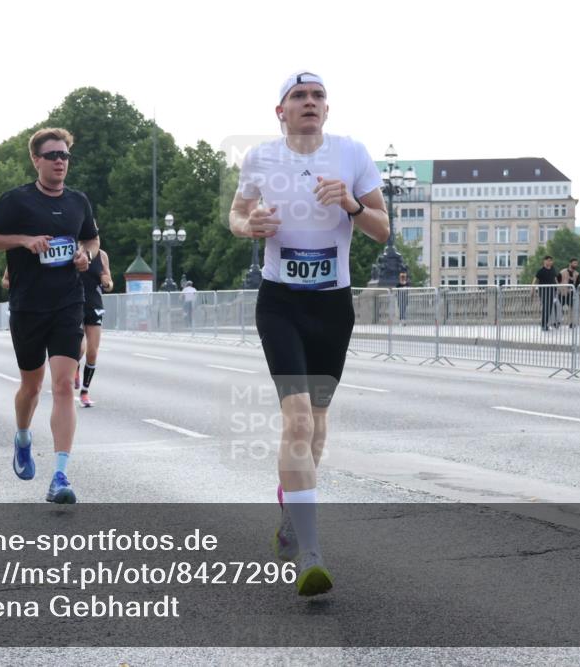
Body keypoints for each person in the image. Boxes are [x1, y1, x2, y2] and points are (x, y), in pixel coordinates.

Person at [229, 71, 389, 596]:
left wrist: (351, 204)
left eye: (318, 96)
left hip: (332, 305)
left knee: (316, 422)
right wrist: (248, 224)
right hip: (280, 303)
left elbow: (383, 230)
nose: (310, 103)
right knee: (296, 418)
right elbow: (236, 212)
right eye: (298, 96)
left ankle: (291, 509)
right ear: (281, 111)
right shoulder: (259, 159)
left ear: (328, 108)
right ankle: (312, 553)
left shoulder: (352, 154)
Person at [0, 127, 100, 504]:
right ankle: (23, 437)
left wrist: (85, 256)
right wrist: (22, 241)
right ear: (36, 160)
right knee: (31, 387)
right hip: (27, 305)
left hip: (67, 303)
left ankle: (60, 475)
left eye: (65, 156)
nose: (61, 161)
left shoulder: (78, 202)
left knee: (63, 385)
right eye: (53, 155)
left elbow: (91, 238)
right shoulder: (17, 201)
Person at [77, 249, 113, 405]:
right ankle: (74, 367)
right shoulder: (73, 250)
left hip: (94, 304)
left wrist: (107, 283)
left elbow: (109, 283)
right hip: (74, 304)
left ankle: (85, 392)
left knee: (92, 352)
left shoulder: (102, 255)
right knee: (79, 348)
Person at [532, 255, 559, 331]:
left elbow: (555, 279)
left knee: (550, 308)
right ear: (544, 261)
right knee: (546, 307)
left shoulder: (553, 269)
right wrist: (532, 290)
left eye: (551, 260)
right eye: (548, 260)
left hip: (552, 291)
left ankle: (545, 324)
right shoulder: (541, 270)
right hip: (543, 291)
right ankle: (543, 325)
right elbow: (535, 280)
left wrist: (559, 287)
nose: (550, 262)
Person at [559, 257, 580, 329]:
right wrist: (559, 288)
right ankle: (557, 321)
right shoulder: (562, 272)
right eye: (574, 263)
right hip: (562, 293)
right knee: (559, 308)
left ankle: (571, 323)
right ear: (570, 263)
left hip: (571, 294)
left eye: (576, 263)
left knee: (572, 308)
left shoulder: (577, 274)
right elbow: (556, 280)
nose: (576, 265)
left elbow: (577, 284)